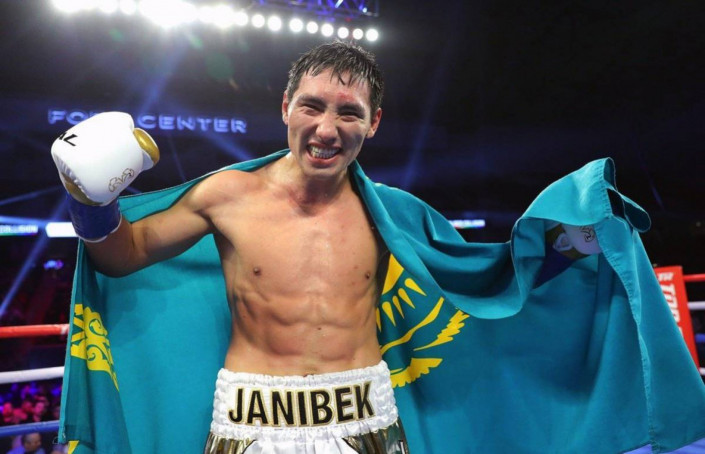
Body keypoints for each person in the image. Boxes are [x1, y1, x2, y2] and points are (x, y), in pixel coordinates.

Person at [52, 42, 705, 454]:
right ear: (286, 107)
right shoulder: (225, 195)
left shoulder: (393, 212)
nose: (326, 128)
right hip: (251, 418)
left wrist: (580, 237)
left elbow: (488, 278)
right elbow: (122, 255)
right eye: (312, 107)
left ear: (374, 123)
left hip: (363, 413)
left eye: (348, 113)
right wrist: (89, 203)